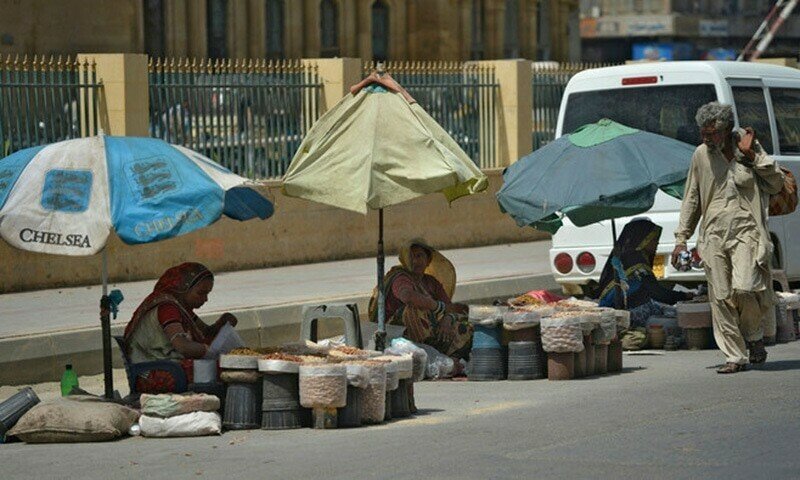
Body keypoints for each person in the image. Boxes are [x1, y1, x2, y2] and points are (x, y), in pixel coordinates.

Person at [672, 102, 784, 374]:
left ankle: (754, 337)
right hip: (713, 234)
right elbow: (692, 198)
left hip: (747, 232)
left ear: (725, 130)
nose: (706, 138)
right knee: (721, 296)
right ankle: (734, 356)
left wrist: (752, 157)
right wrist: (681, 239)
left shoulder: (748, 149)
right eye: (703, 133)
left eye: (712, 133)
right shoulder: (700, 155)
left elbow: (776, 183)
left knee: (746, 288)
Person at [123, 262, 238, 393]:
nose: (205, 299)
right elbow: (183, 346)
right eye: (201, 293)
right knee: (225, 369)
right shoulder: (168, 308)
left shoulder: (182, 308)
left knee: (227, 365)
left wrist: (222, 323)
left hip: (167, 367)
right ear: (183, 289)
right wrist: (208, 351)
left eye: (207, 293)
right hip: (154, 373)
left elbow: (205, 334)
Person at [370, 240, 472, 360]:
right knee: (413, 310)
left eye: (419, 256)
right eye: (411, 257)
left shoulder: (431, 282)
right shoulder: (400, 278)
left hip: (432, 333)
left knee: (465, 319)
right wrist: (434, 305)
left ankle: (450, 357)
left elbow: (449, 307)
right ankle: (429, 353)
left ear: (428, 260)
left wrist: (447, 319)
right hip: (398, 338)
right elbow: (407, 296)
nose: (415, 261)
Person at [598, 218, 691, 327]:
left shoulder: (629, 256)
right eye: (654, 239)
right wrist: (685, 296)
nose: (657, 242)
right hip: (625, 313)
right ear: (643, 240)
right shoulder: (636, 262)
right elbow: (658, 293)